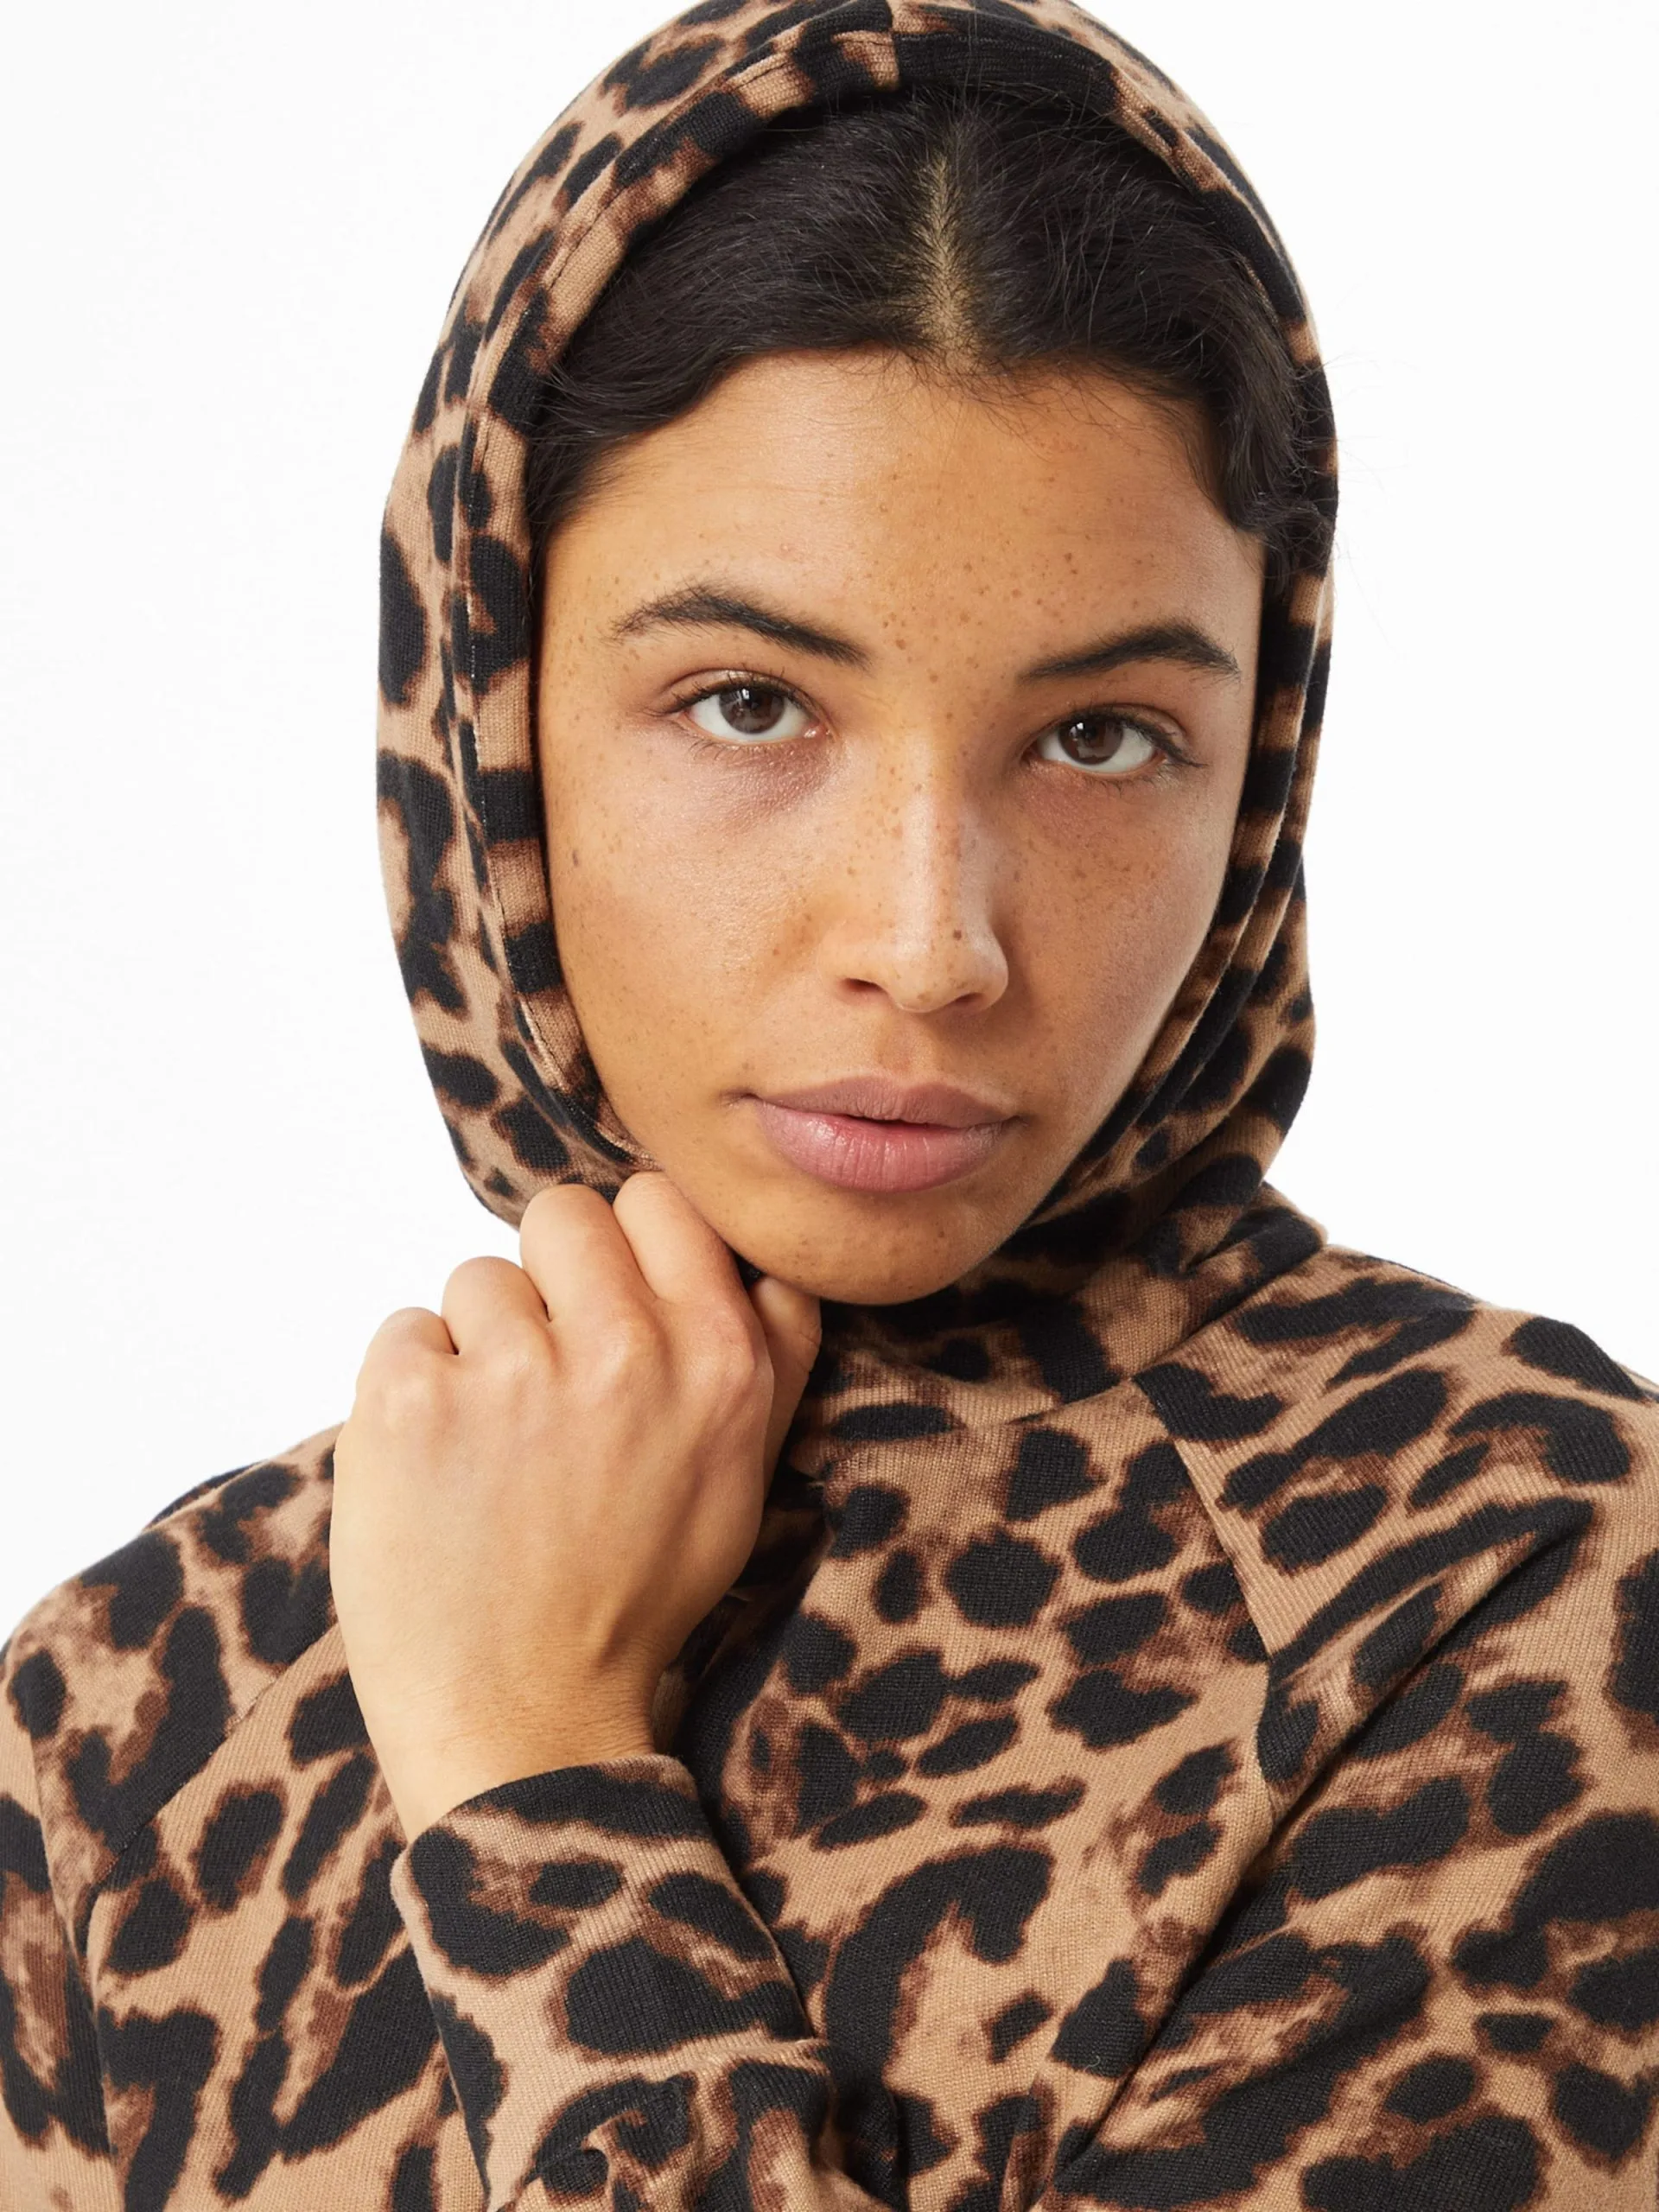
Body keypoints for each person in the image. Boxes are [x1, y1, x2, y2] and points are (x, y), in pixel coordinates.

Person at [3, 1, 1656, 2205]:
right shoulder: (132, 1707)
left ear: (1258, 764)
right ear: (487, 708)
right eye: (748, 703)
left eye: (1099, 739)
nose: (931, 938)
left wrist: (526, 1763)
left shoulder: (1512, 1580)